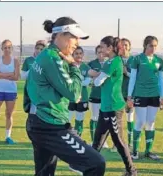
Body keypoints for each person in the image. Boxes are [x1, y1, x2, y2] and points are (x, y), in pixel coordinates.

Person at [25, 17, 105, 176]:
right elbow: (75, 94)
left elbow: (30, 89)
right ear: (60, 35)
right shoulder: (53, 58)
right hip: (50, 125)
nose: (77, 42)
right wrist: (75, 66)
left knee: (44, 173)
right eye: (74, 37)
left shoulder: (46, 56)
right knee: (96, 163)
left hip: (38, 122)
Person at [91, 36, 137, 176]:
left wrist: (92, 75)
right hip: (106, 107)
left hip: (113, 108)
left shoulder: (113, 62)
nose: (101, 49)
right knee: (97, 140)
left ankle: (131, 171)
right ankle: (89, 167)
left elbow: (98, 82)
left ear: (110, 48)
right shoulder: (109, 61)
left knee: (119, 141)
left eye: (102, 46)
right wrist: (96, 76)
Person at [127, 36, 163, 160]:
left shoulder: (159, 60)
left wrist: (162, 97)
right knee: (140, 122)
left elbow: (161, 80)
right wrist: (129, 96)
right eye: (151, 46)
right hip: (140, 94)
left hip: (154, 95)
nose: (153, 48)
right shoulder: (137, 59)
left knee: (151, 123)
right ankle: (135, 151)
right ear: (145, 45)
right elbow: (132, 78)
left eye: (155, 46)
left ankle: (148, 151)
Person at [111, 38, 135, 152]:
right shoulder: (116, 60)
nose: (124, 47)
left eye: (126, 45)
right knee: (117, 121)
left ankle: (130, 143)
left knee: (130, 119)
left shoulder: (134, 60)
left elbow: (137, 77)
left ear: (129, 47)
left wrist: (127, 72)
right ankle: (117, 144)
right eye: (122, 45)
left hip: (130, 95)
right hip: (117, 95)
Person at [87, 45, 109, 148]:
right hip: (95, 95)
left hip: (106, 96)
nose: (101, 54)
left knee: (105, 119)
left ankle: (103, 141)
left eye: (102, 52)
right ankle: (93, 140)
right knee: (95, 118)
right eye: (98, 52)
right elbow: (88, 77)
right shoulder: (91, 64)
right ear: (96, 53)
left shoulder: (110, 63)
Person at [68, 46, 91, 136]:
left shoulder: (86, 67)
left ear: (83, 55)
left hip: (83, 97)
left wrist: (76, 80)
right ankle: (67, 138)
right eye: (76, 53)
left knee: (79, 119)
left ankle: (78, 138)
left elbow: (86, 82)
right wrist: (80, 79)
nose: (78, 55)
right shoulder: (69, 66)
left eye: (80, 53)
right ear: (72, 55)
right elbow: (68, 81)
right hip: (70, 97)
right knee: (67, 119)